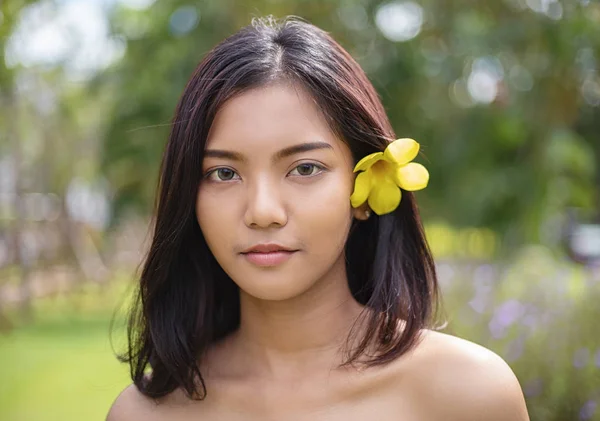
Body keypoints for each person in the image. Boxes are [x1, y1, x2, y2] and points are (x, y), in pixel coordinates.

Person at [107, 15, 530, 421]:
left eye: (304, 168)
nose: (263, 212)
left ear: (364, 191)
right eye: (224, 173)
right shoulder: (143, 415)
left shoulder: (469, 395)